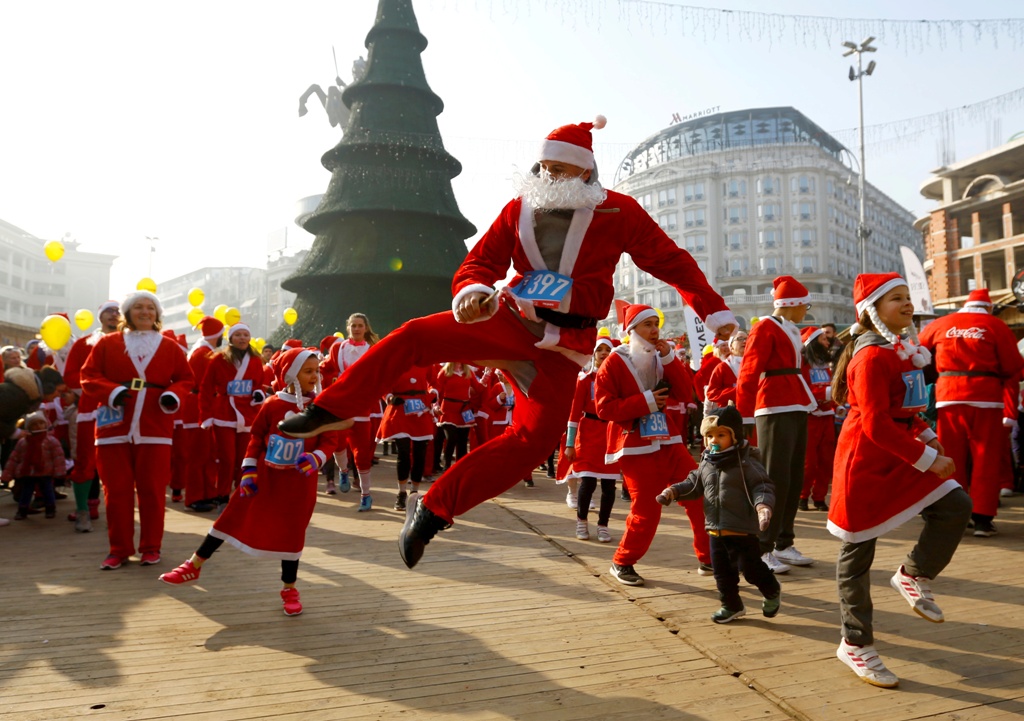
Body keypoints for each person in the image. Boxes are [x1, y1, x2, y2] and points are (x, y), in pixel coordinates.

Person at [279, 116, 736, 568]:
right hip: (511, 319)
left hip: (563, 347)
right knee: (415, 335)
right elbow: (479, 263)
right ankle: (328, 410)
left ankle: (433, 511)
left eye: (560, 169)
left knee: (532, 443)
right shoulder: (518, 208)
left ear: (586, 171)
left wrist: (712, 310)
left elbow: (671, 261)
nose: (548, 176)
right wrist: (471, 294)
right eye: (544, 168)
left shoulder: (618, 211)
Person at [828, 273, 968, 689]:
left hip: (900, 452)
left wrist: (929, 438)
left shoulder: (905, 350)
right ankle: (855, 643)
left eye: (907, 297)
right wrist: (927, 458)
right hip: (866, 461)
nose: (907, 305)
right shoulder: (871, 357)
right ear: (872, 310)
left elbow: (905, 411)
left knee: (955, 503)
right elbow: (874, 424)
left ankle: (914, 573)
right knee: (857, 553)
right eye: (896, 299)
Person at [159, 348, 340, 616]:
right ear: (291, 374)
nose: (314, 376)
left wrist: (316, 457)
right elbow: (256, 439)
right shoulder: (272, 405)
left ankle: (289, 588)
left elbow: (331, 440)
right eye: (308, 371)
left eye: (316, 371)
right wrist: (248, 471)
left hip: (298, 483)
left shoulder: (321, 408)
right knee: (231, 516)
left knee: (292, 531)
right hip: (264, 478)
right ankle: (194, 564)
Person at [595, 303, 712, 585]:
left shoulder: (662, 358)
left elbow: (687, 393)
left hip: (669, 440)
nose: (654, 329)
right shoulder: (614, 361)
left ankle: (708, 558)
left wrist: (671, 358)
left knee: (698, 494)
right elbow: (603, 408)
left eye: (655, 323)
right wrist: (646, 402)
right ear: (631, 330)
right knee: (647, 508)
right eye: (647, 324)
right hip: (634, 445)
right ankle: (622, 561)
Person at [80, 291, 194, 570]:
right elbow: (88, 376)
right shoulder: (107, 343)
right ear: (128, 313)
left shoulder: (169, 347)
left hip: (154, 425)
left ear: (157, 314)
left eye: (151, 308)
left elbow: (186, 378)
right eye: (139, 307)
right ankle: (118, 549)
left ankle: (151, 547)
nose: (145, 312)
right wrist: (113, 391)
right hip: (113, 426)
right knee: (116, 490)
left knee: (153, 490)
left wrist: (173, 395)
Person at [656, 406, 779, 623]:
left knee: (750, 569)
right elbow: (694, 483)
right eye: (709, 435)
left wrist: (763, 507)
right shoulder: (707, 462)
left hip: (742, 530)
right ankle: (731, 605)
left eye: (721, 435)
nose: (714, 440)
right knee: (722, 573)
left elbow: (762, 486)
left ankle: (771, 590)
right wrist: (673, 490)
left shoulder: (746, 462)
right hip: (714, 528)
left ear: (734, 436)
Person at [917, 288, 1024, 538]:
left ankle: (953, 513)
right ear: (987, 307)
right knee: (986, 459)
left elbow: (918, 353)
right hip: (987, 400)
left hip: (949, 397)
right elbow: (1013, 366)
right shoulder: (995, 325)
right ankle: (983, 519)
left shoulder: (942, 323)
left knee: (950, 456)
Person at [736, 276, 816, 574]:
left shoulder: (791, 328)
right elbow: (749, 370)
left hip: (796, 403)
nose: (807, 310)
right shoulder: (765, 327)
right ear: (792, 305)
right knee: (774, 479)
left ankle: (783, 542)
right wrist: (744, 415)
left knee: (794, 477)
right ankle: (762, 546)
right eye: (805, 304)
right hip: (772, 406)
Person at [63, 300, 122, 531]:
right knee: (85, 461)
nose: (113, 315)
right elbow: (69, 376)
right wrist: (96, 389)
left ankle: (117, 513)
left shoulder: (133, 342)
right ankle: (82, 511)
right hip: (91, 409)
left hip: (122, 410)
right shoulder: (83, 344)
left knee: (119, 465)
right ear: (100, 317)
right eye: (109, 311)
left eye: (117, 312)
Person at [199, 322, 266, 509]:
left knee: (244, 458)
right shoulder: (218, 359)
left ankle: (240, 494)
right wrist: (206, 415)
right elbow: (205, 388)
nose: (242, 338)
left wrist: (258, 393)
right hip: (224, 413)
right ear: (231, 338)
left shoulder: (255, 360)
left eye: (246, 334)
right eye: (238, 335)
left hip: (247, 414)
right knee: (226, 459)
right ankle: (221, 495)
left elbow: (259, 384)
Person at [562, 337, 620, 543]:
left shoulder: (618, 381)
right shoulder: (585, 379)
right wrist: (570, 443)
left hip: (610, 434)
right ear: (594, 354)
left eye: (608, 350)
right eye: (600, 350)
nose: (604, 353)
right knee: (587, 482)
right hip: (588, 435)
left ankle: (603, 525)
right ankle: (581, 521)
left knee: (609, 486)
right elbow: (574, 413)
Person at [323, 313, 380, 509]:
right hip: (342, 404)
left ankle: (366, 494)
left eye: (360, 326)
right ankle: (343, 471)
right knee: (338, 443)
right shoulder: (338, 348)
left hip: (363, 406)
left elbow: (381, 373)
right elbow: (325, 368)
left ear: (366, 328)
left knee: (362, 453)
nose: (356, 329)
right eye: (353, 325)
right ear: (348, 328)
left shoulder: (373, 349)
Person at [377, 366, 437, 511]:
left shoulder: (426, 362)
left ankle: (414, 493)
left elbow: (435, 382)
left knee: (420, 454)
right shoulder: (396, 363)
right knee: (403, 454)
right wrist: (390, 397)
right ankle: (402, 492)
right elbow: (384, 385)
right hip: (400, 410)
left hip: (420, 410)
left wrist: (432, 394)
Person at [183, 317, 225, 513]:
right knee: (199, 455)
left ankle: (207, 493)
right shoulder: (203, 354)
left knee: (208, 454)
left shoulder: (203, 352)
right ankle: (195, 496)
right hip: (199, 407)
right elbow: (208, 384)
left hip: (204, 405)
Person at [799, 326, 836, 512]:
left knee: (826, 460)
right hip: (809, 417)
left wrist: (835, 403)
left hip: (827, 416)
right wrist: (827, 393)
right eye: (823, 339)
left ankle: (820, 498)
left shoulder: (824, 363)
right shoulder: (802, 363)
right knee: (808, 462)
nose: (827, 342)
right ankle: (802, 496)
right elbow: (802, 390)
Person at [2, 411, 65, 520]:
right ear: (29, 427)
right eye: (34, 424)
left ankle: (50, 509)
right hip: (28, 472)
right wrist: (7, 474)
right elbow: (14, 458)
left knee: (48, 491)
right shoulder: (23, 442)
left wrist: (60, 471)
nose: (38, 426)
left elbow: (58, 457)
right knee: (26, 492)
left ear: (46, 424)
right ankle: (22, 510)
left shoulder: (50, 441)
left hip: (45, 471)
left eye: (41, 423)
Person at [433, 362, 485, 470]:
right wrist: (435, 405)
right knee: (451, 438)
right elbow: (436, 390)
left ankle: (460, 467)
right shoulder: (445, 372)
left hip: (464, 409)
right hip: (448, 408)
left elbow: (478, 389)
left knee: (462, 441)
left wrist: (487, 375)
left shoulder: (468, 372)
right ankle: (447, 465)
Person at [705, 331, 746, 409]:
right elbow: (711, 394)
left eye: (747, 339)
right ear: (731, 346)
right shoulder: (722, 367)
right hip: (731, 415)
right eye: (740, 339)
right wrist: (736, 391)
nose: (744, 341)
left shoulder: (757, 363)